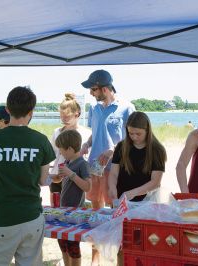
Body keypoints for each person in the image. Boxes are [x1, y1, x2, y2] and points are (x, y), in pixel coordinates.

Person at [0, 86, 55, 265]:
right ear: (31, 111)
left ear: (8, 109)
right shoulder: (40, 140)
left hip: (2, 218)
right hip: (31, 216)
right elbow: (43, 180)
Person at [81, 69, 135, 265]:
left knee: (115, 213)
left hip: (116, 169)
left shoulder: (127, 108)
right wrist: (87, 143)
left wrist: (113, 152)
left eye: (93, 89)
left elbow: (133, 138)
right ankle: (96, 258)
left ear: (105, 88)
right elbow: (96, 132)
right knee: (96, 213)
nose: (91, 94)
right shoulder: (94, 109)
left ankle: (116, 256)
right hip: (94, 167)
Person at [51, 129, 91, 266]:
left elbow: (87, 186)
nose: (60, 153)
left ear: (69, 148)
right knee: (62, 242)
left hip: (75, 212)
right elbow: (58, 180)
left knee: (73, 247)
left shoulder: (82, 164)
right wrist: (54, 177)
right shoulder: (68, 163)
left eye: (61, 150)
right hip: (64, 210)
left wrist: (71, 174)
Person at [108, 111, 166, 202]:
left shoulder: (157, 150)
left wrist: (133, 193)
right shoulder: (121, 147)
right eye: (131, 133)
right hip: (121, 200)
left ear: (147, 131)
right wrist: (112, 187)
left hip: (146, 202)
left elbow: (155, 182)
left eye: (138, 134)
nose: (134, 137)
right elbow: (113, 173)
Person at [49, 93, 91, 207]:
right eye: (62, 116)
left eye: (67, 116)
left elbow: (87, 184)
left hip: (76, 176)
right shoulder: (57, 132)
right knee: (56, 206)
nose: (64, 119)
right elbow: (53, 154)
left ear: (77, 114)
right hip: (59, 173)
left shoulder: (86, 133)